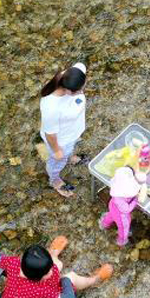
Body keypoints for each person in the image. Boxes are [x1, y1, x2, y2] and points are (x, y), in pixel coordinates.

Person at [0, 236, 112, 298]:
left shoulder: (14, 263)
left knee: (58, 265)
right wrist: (66, 281)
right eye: (48, 271)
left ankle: (51, 254)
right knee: (70, 275)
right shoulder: (42, 292)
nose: (52, 271)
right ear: (39, 278)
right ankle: (94, 279)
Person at [39, 63, 88, 198]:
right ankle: (54, 180)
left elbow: (81, 65)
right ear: (67, 91)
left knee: (69, 149)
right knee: (56, 161)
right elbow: (50, 134)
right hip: (61, 141)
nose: (82, 91)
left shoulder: (74, 72)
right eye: (79, 91)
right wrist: (57, 151)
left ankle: (70, 157)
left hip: (72, 133)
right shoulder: (51, 107)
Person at [99, 166, 146, 246]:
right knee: (124, 228)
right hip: (121, 215)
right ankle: (122, 240)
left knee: (110, 215)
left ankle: (104, 224)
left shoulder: (116, 190)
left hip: (113, 206)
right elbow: (127, 209)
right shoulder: (122, 199)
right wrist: (135, 200)